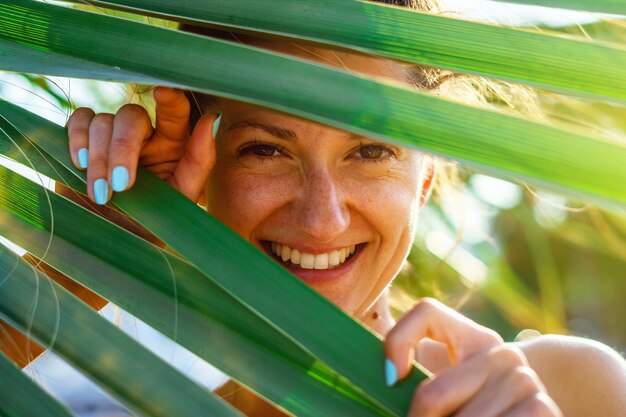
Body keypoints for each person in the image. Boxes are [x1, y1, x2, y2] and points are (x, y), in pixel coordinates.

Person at [59, 0, 626, 416]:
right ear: (199, 168)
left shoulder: (574, 391)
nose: (322, 219)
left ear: (425, 174)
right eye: (265, 150)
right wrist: (71, 259)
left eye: (371, 150)